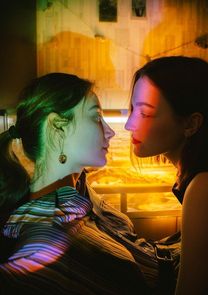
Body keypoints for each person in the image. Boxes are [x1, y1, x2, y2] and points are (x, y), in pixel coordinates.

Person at [0, 73, 160, 294]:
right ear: (58, 128)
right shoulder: (44, 246)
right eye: (96, 118)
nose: (111, 131)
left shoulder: (75, 189)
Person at [125, 56, 208, 294]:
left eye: (144, 113)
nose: (129, 124)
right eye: (132, 109)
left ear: (191, 124)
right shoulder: (205, 173)